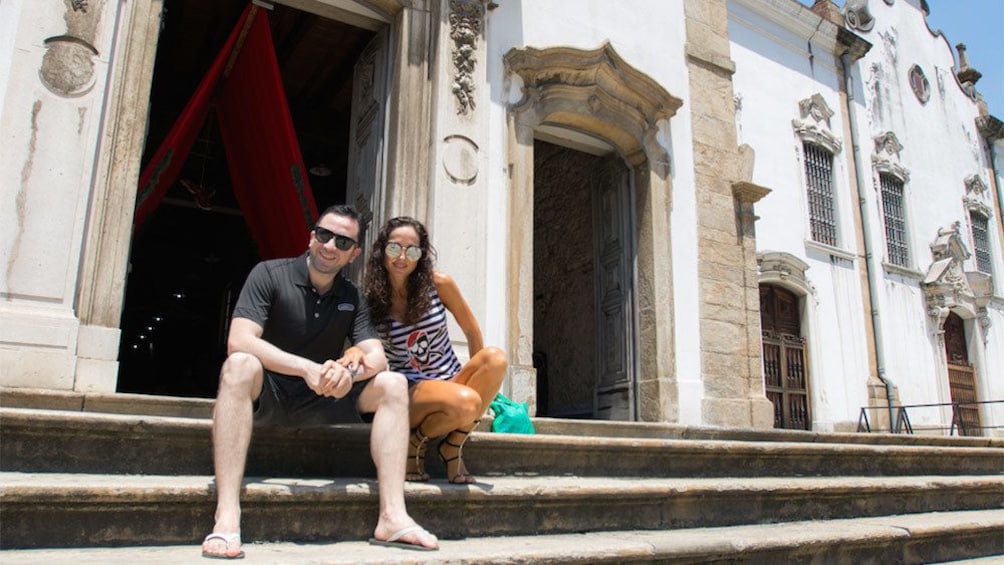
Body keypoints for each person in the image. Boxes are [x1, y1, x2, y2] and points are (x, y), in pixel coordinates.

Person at [201, 205, 439, 559]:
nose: (331, 245)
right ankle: (227, 515)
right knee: (238, 365)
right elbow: (240, 338)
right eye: (324, 235)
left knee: (392, 383)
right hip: (271, 394)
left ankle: (393, 516)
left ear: (353, 253)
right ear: (312, 236)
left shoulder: (353, 297)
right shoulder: (269, 274)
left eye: (343, 241)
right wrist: (307, 368)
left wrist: (349, 373)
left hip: (324, 397)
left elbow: (376, 357)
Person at [363, 217, 507, 485]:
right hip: (414, 391)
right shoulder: (370, 301)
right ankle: (416, 442)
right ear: (382, 250)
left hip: (453, 378)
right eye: (394, 248)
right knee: (468, 402)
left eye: (412, 250)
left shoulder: (439, 283)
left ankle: (450, 444)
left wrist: (482, 389)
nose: (402, 257)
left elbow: (472, 331)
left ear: (421, 255)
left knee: (496, 358)